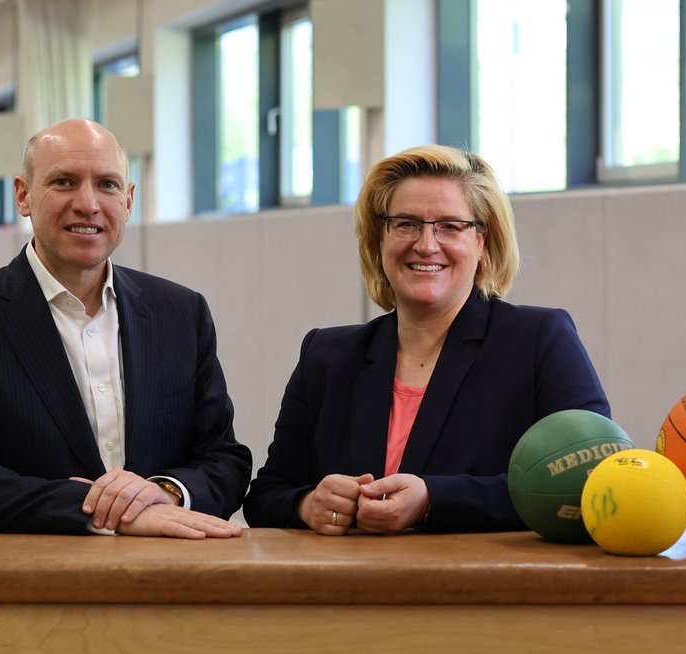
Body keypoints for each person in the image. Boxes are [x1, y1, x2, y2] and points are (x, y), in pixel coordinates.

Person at [0, 118, 250, 538]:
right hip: (36, 588)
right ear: (23, 195)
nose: (88, 203)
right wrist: (115, 512)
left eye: (107, 184)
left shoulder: (182, 313)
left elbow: (224, 461)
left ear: (128, 201)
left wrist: (164, 492)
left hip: (168, 582)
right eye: (64, 182)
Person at [243, 144, 609, 534]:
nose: (426, 244)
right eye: (406, 224)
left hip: (486, 587)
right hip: (350, 587)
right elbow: (266, 494)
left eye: (450, 226)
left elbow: (590, 480)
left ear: (481, 242)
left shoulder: (538, 341)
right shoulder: (326, 356)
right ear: (379, 239)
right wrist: (308, 503)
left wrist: (433, 500)